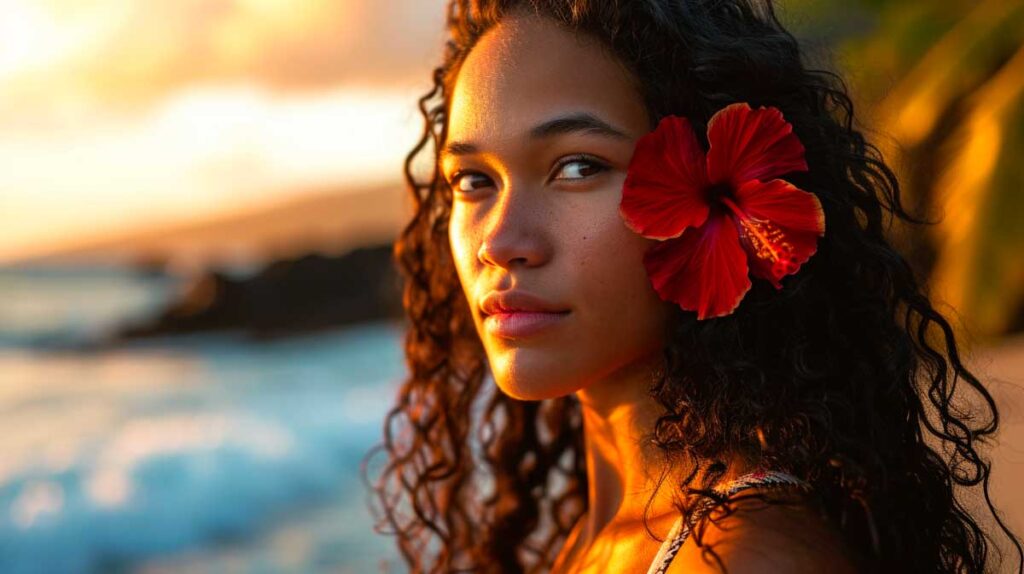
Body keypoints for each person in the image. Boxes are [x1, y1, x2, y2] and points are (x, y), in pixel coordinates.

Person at [362, 1, 1024, 572]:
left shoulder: (750, 558)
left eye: (577, 166)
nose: (500, 242)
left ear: (720, 198)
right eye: (473, 180)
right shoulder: (600, 538)